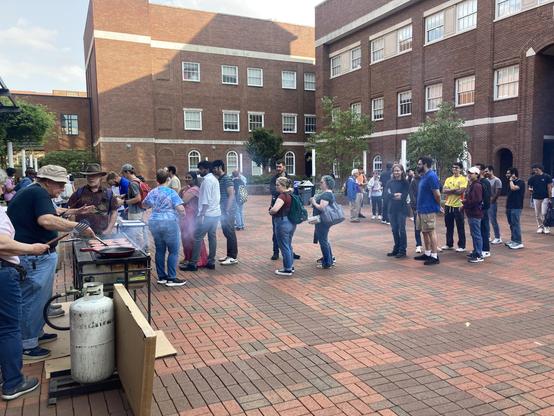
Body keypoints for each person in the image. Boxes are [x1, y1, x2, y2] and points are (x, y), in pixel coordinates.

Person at [7, 165, 94, 360]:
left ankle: (36, 333)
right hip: (33, 257)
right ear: (47, 181)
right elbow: (46, 220)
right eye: (60, 184)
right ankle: (27, 344)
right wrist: (78, 226)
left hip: (34, 256)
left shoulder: (35, 192)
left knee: (38, 298)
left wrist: (76, 210)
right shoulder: (38, 194)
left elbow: (54, 210)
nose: (63, 188)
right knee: (32, 299)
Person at [0, 168, 51, 401]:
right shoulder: (36, 194)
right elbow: (2, 244)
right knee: (9, 327)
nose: (4, 189)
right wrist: (32, 248)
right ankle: (13, 382)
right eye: (2, 185)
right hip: (4, 271)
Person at [143, 169, 186, 287]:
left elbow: (144, 204)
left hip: (154, 222)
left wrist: (156, 207)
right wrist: (183, 216)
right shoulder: (172, 193)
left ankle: (161, 277)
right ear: (168, 179)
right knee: (173, 251)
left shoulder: (152, 192)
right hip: (169, 222)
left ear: (157, 180)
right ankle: (171, 278)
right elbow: (181, 209)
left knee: (160, 250)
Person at [181, 161, 220, 271]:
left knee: (197, 237)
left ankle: (193, 263)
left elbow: (205, 201)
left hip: (207, 214)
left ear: (206, 169)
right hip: (215, 213)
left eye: (201, 169)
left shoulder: (207, 181)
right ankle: (211, 261)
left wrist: (201, 214)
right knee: (212, 237)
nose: (199, 171)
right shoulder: (214, 179)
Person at [68, 164, 118, 236]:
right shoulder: (79, 193)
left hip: (102, 234)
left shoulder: (108, 193)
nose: (91, 178)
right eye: (89, 175)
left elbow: (114, 212)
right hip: (82, 234)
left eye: (94, 175)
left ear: (100, 176)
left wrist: (109, 230)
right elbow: (71, 212)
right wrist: (75, 230)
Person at [269, 161, 300, 261]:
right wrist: (285, 192)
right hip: (277, 205)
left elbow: (295, 191)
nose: (278, 168)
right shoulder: (274, 179)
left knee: (288, 233)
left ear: (284, 167)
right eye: (277, 166)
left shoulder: (289, 178)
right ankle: (275, 252)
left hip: (288, 206)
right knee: (276, 231)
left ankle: (289, 252)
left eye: (280, 166)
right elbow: (272, 190)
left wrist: (286, 193)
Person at [414, 157, 441, 265]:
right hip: (421, 209)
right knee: (424, 231)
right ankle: (428, 253)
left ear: (425, 164)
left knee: (431, 231)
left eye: (419, 164)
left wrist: (437, 206)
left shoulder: (431, 176)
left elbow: (437, 194)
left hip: (428, 209)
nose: (418, 166)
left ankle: (434, 256)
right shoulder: (424, 176)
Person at [178, 172, 208, 268]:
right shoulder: (187, 188)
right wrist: (181, 190)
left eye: (189, 177)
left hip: (191, 216)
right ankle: (188, 257)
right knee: (185, 238)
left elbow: (182, 201)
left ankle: (197, 259)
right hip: (185, 216)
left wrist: (181, 193)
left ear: (194, 179)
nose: (187, 179)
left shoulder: (194, 189)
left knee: (191, 237)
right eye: (186, 177)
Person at [212, 160, 238, 265]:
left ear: (219, 167)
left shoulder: (227, 179)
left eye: (214, 168)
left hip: (228, 210)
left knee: (230, 232)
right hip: (223, 210)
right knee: (226, 231)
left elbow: (231, 194)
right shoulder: (220, 179)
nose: (213, 170)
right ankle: (229, 255)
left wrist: (227, 209)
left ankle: (233, 257)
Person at [269, 177, 296, 276]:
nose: (276, 186)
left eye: (278, 185)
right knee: (288, 245)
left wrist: (270, 211)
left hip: (282, 222)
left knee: (284, 246)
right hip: (291, 222)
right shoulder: (291, 194)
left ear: (284, 186)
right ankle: (290, 266)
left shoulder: (282, 196)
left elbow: (275, 209)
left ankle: (287, 269)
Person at [310, 175, 336, 269]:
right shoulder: (327, 193)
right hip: (323, 220)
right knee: (325, 240)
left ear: (327, 184)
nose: (320, 184)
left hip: (322, 221)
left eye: (322, 182)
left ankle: (327, 262)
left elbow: (321, 207)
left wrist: (313, 202)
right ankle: (329, 259)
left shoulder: (327, 194)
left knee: (323, 241)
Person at [441, 162, 467, 252]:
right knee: (449, 225)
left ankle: (462, 245)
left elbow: (461, 191)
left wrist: (450, 190)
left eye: (456, 168)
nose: (454, 169)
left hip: (458, 205)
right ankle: (449, 243)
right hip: (448, 205)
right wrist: (454, 189)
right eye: (453, 168)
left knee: (460, 226)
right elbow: (444, 190)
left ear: (460, 169)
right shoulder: (448, 179)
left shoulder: (463, 179)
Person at [120, 164, 148, 249]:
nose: (123, 176)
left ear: (128, 172)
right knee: (139, 231)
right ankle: (144, 249)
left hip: (135, 212)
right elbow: (134, 195)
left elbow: (138, 198)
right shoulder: (138, 180)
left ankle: (141, 251)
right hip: (139, 210)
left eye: (123, 173)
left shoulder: (133, 183)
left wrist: (123, 202)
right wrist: (124, 196)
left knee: (136, 233)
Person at [385, 164, 410, 258]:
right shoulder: (389, 182)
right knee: (394, 229)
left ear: (402, 171)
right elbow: (386, 194)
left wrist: (396, 195)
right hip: (392, 209)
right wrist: (395, 195)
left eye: (398, 170)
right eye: (395, 171)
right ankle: (396, 248)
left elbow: (405, 195)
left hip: (402, 209)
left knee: (402, 230)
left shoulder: (405, 182)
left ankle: (402, 250)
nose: (396, 172)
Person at [463, 167, 485, 263]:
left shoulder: (477, 186)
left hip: (475, 212)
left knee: (476, 234)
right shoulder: (473, 184)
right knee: (474, 233)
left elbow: (476, 200)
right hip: (472, 212)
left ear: (477, 174)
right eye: (468, 173)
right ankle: (476, 251)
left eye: (471, 173)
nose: (469, 175)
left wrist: (465, 203)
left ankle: (479, 254)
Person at [528, 163, 552, 234]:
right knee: (537, 213)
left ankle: (546, 226)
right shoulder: (532, 178)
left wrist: (550, 197)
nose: (535, 171)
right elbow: (529, 186)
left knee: (544, 213)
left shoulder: (547, 177)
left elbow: (549, 187)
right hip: (536, 197)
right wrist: (530, 190)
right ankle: (540, 226)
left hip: (545, 197)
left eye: (536, 170)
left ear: (540, 169)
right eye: (534, 170)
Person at [505, 167, 525, 250]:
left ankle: (518, 242)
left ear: (513, 174)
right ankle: (513, 240)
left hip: (516, 206)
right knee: (511, 224)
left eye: (508, 173)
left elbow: (514, 188)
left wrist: (510, 180)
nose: (507, 175)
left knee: (515, 224)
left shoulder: (521, 182)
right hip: (509, 206)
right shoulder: (510, 182)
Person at [475, 163, 492, 257]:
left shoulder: (485, 182)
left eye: (477, 169)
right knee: (478, 230)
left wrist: (482, 207)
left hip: (483, 209)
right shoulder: (476, 181)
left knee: (484, 229)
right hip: (477, 210)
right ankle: (478, 248)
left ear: (481, 171)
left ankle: (485, 249)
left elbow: (486, 197)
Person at [484, 166, 503, 244]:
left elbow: (498, 192)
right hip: (486, 201)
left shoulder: (497, 180)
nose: (485, 173)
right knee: (486, 220)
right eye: (485, 171)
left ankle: (498, 237)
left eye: (487, 171)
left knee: (493, 220)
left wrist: (492, 201)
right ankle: (487, 236)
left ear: (491, 171)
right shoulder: (486, 180)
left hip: (492, 202)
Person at [408, 170, 422, 253]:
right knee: (417, 227)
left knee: (428, 228)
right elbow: (411, 194)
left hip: (426, 207)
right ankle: (418, 244)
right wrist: (415, 206)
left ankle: (431, 245)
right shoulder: (414, 182)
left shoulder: (427, 180)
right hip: (417, 207)